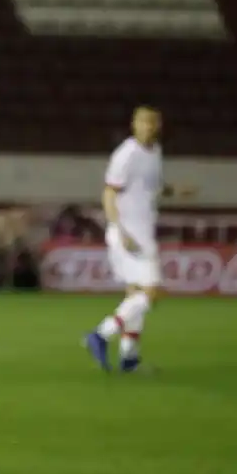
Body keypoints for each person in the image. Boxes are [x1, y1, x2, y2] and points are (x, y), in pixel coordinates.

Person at [84, 106, 195, 371]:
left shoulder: (155, 152)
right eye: (143, 122)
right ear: (134, 125)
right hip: (129, 233)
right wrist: (119, 230)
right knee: (153, 292)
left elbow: (152, 187)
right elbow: (109, 194)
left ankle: (129, 358)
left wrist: (175, 190)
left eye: (153, 122)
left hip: (143, 229)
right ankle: (100, 334)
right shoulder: (126, 154)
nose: (148, 126)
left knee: (135, 296)